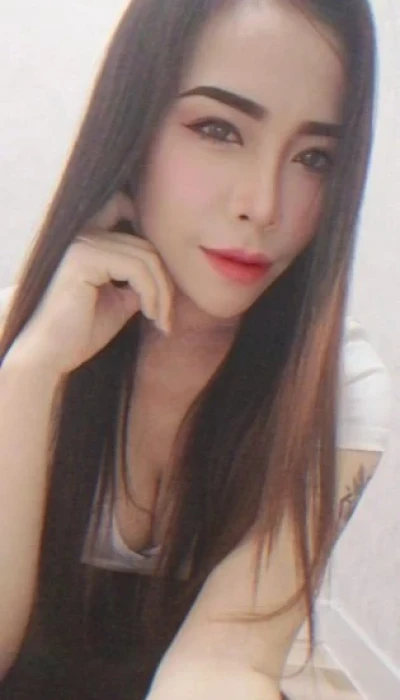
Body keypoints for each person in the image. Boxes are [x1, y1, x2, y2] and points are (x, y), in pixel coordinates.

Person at [0, 0, 392, 698]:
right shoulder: (22, 335)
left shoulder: (337, 389)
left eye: (314, 158)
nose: (263, 206)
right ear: (133, 126)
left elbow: (229, 659)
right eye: (218, 129)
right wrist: (30, 374)